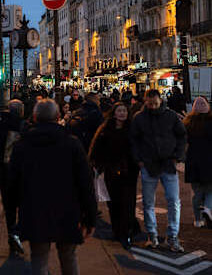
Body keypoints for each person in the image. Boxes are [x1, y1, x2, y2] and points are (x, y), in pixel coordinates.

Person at [7, 99, 97, 275]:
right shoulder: (72, 143)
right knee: (68, 256)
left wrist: (13, 213)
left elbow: (12, 183)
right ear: (57, 117)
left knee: (39, 258)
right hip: (68, 209)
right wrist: (90, 216)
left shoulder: (22, 145)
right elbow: (86, 183)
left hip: (35, 209)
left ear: (34, 117)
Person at [130, 89, 186, 252]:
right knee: (149, 203)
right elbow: (133, 140)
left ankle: (172, 236)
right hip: (149, 164)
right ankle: (152, 235)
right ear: (146, 102)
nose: (153, 106)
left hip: (167, 163)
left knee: (174, 201)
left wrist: (177, 156)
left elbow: (182, 135)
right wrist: (139, 160)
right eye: (150, 103)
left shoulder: (170, 116)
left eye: (155, 103)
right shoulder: (140, 118)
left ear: (160, 100)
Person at [88, 102, 140, 249]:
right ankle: (118, 230)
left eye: (124, 111)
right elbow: (96, 147)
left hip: (129, 171)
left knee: (128, 202)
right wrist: (96, 163)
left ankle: (126, 231)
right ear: (114, 113)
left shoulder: (132, 129)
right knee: (114, 202)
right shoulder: (105, 129)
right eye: (119, 111)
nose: (122, 113)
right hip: (110, 170)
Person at [0, 99, 26, 256]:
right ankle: (17, 233)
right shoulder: (23, 128)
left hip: (4, 173)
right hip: (22, 174)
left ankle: (12, 238)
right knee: (25, 207)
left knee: (10, 210)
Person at [183, 97, 212, 228]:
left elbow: (183, 142)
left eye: (202, 103)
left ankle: (198, 218)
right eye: (198, 103)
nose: (200, 105)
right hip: (208, 160)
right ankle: (207, 208)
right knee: (209, 190)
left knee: (197, 192)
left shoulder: (188, 122)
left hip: (193, 160)